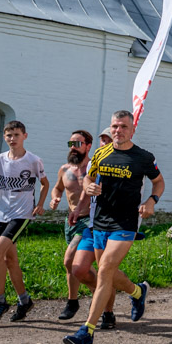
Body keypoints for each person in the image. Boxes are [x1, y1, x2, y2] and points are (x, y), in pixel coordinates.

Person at [62, 111, 163, 344]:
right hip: (100, 221)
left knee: (105, 269)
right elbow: (88, 178)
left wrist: (151, 201)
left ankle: (86, 331)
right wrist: (90, 187)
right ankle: (138, 291)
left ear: (132, 130)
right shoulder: (100, 153)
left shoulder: (143, 157)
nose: (119, 131)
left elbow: (159, 181)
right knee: (108, 271)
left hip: (126, 222)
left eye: (124, 127)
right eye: (115, 126)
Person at [0, 120, 49, 323]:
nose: (13, 139)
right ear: (4, 137)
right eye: (9, 135)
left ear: (24, 136)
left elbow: (45, 184)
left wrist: (41, 204)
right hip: (2, 214)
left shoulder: (33, 161)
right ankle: (24, 300)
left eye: (17, 135)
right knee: (10, 261)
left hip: (22, 214)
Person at [48, 129, 102, 321]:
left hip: (89, 221)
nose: (73, 147)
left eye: (77, 144)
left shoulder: (93, 169)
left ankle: (77, 300)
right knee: (74, 265)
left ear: (88, 146)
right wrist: (55, 198)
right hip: (71, 221)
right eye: (71, 144)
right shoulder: (65, 170)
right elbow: (57, 187)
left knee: (69, 259)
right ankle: (99, 293)